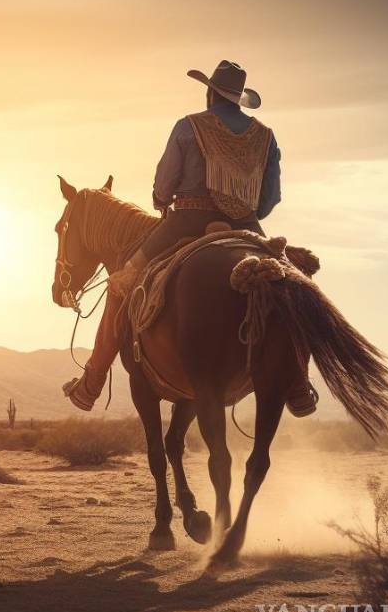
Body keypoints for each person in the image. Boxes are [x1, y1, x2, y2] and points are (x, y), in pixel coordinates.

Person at [62, 60, 318, 416]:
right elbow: (271, 197)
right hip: (246, 223)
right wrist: (244, 214)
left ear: (210, 92)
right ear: (239, 99)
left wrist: (161, 200)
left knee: (121, 285)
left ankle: (90, 385)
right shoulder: (266, 136)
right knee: (289, 288)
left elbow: (165, 183)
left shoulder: (188, 126)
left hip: (185, 220)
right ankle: (298, 385)